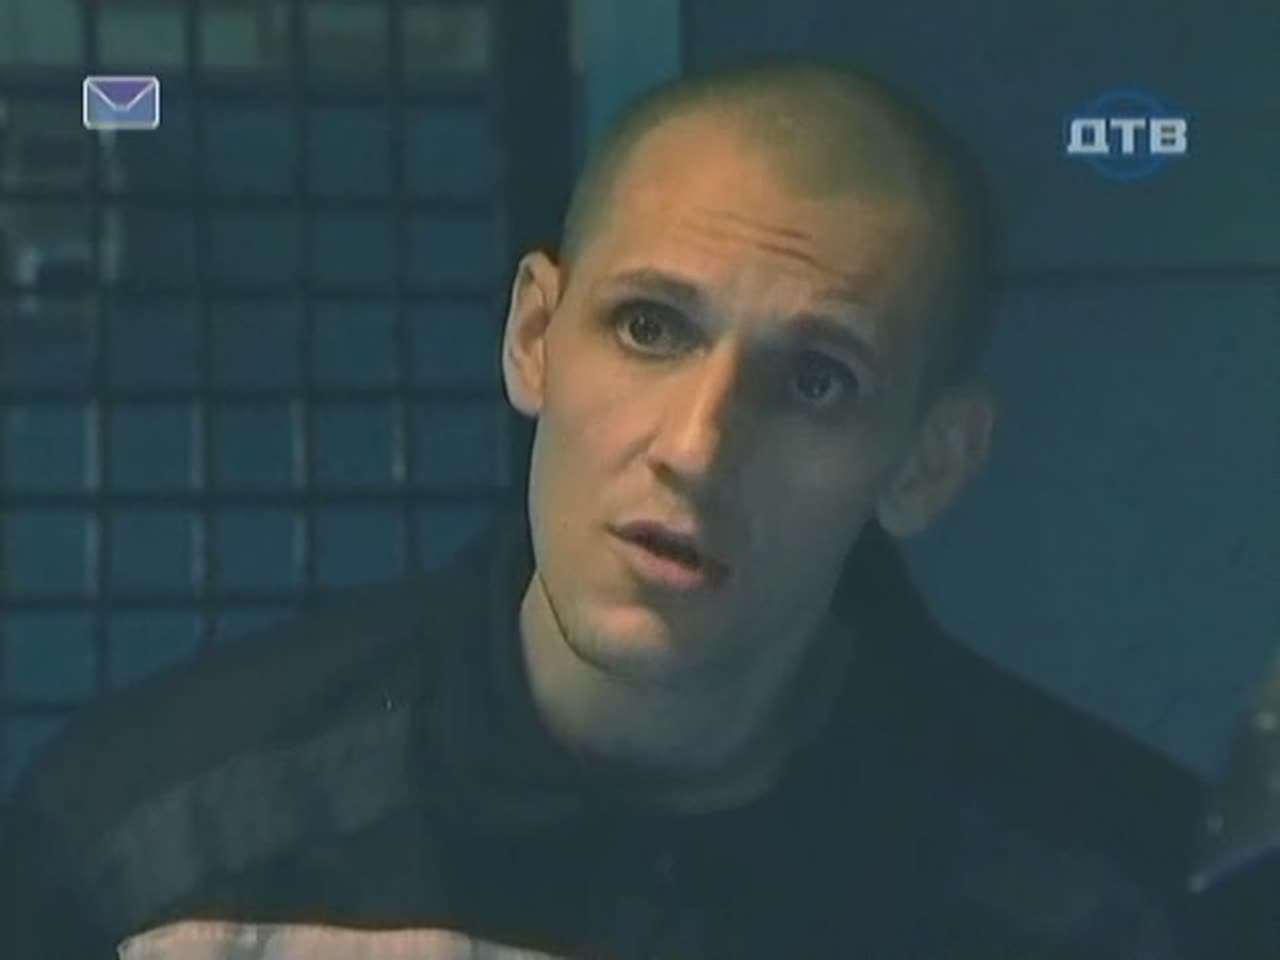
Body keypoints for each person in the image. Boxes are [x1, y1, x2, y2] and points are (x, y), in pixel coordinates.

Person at [0, 58, 1207, 959]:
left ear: (928, 461)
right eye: (648, 327)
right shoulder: (154, 848)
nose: (695, 449)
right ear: (534, 336)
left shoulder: (1119, 902)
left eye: (814, 381)